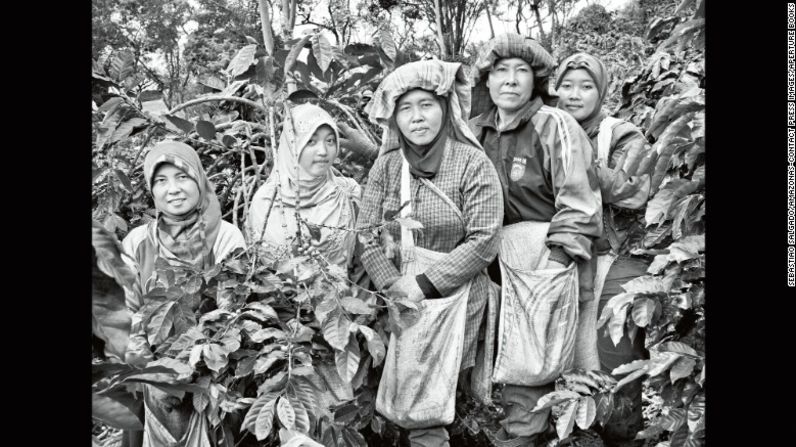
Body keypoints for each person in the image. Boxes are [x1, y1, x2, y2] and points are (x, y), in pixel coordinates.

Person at [357, 59, 503, 447]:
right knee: (405, 397)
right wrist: (394, 285)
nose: (417, 117)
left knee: (435, 398)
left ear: (446, 108)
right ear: (394, 118)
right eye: (405, 108)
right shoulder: (386, 167)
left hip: (456, 302)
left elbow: (484, 239)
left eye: (427, 105)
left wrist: (423, 284)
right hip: (399, 302)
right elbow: (366, 235)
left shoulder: (472, 163)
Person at [468, 33, 602, 446]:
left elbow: (579, 202)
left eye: (521, 71)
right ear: (486, 81)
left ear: (537, 80)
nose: (510, 80)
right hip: (492, 266)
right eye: (500, 71)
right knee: (496, 366)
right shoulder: (473, 132)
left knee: (532, 364)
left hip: (547, 264)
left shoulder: (554, 124)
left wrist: (553, 268)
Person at [555, 52, 657, 447]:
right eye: (566, 85)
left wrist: (581, 154)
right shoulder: (546, 127)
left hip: (618, 255)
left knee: (616, 362)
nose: (574, 95)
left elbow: (633, 191)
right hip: (571, 255)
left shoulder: (621, 133)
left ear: (601, 91)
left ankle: (623, 436)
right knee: (568, 365)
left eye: (586, 86)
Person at [121, 140, 246, 447]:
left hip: (211, 372)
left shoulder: (226, 236)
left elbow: (231, 313)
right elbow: (125, 312)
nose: (173, 189)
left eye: (182, 177)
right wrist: (154, 370)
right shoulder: (138, 242)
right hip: (150, 373)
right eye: (161, 181)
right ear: (152, 190)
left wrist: (191, 366)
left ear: (199, 179)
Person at [248, 103, 361, 269]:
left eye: (330, 140)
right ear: (292, 145)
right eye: (311, 141)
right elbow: (262, 270)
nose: (323, 151)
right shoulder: (265, 202)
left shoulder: (348, 193)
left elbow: (364, 260)